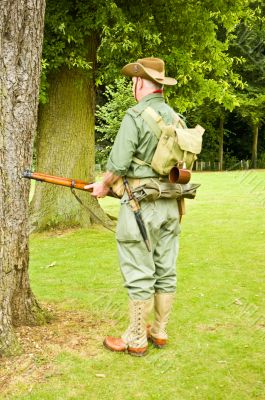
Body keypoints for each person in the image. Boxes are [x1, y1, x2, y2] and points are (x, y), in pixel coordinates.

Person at [85, 57, 182, 356]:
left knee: (139, 270)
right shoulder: (177, 118)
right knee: (165, 269)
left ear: (140, 83)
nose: (132, 85)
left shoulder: (136, 115)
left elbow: (118, 162)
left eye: (133, 81)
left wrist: (103, 185)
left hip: (141, 205)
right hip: (171, 203)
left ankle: (136, 338)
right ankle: (160, 331)